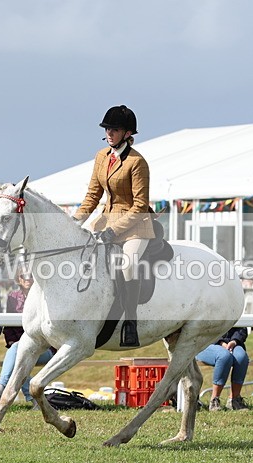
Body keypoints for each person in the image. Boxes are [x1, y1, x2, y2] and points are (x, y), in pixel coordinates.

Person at [72, 105, 154, 347]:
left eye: (115, 129)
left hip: (136, 226)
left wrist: (114, 231)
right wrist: (73, 222)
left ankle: (130, 322)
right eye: (107, 128)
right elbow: (92, 196)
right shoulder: (101, 157)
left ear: (128, 133)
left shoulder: (138, 163)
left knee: (128, 265)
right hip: (105, 219)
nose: (109, 132)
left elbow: (139, 205)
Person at [0, 268, 54, 406]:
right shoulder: (13, 297)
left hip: (45, 348)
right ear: (18, 279)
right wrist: (14, 342)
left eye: (31, 275)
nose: (27, 278)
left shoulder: (44, 297)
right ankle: (33, 399)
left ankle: (0, 388)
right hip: (19, 346)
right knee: (18, 353)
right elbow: (8, 327)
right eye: (23, 276)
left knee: (18, 353)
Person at [195, 327, 250, 411]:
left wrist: (234, 341)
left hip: (233, 343)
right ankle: (214, 400)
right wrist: (220, 342)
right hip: (206, 343)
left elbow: (242, 328)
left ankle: (234, 399)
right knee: (224, 356)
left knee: (242, 357)